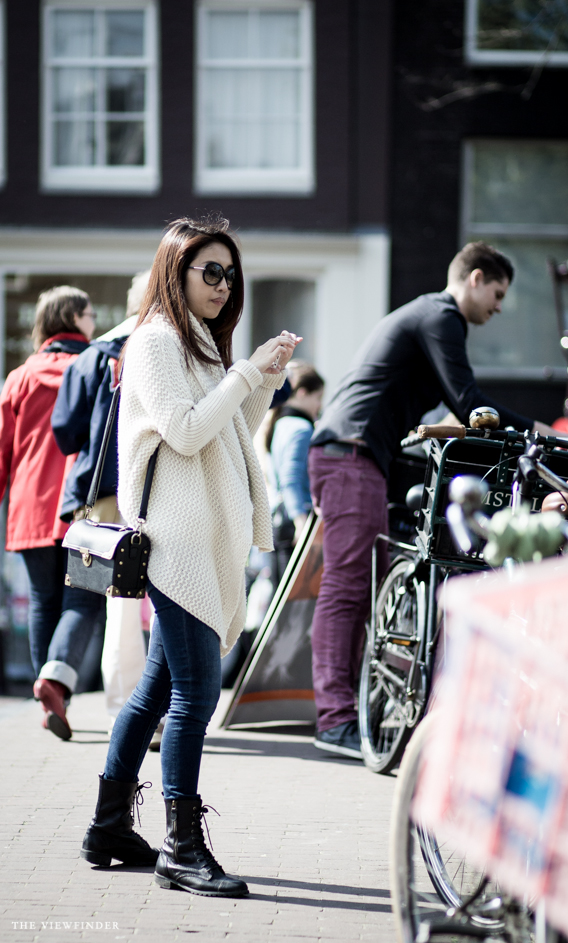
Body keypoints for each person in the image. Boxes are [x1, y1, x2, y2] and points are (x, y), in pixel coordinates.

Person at [80, 216, 300, 898]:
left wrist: (261, 377)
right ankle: (181, 845)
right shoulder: (153, 339)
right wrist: (240, 373)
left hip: (204, 537)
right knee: (197, 692)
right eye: (211, 270)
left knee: (154, 691)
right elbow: (182, 429)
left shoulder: (201, 342)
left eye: (229, 273)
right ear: (175, 271)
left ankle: (108, 826)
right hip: (175, 544)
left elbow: (229, 430)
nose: (222, 284)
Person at [308, 241, 555, 759]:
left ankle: (353, 715)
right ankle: (333, 721)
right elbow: (467, 401)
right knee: (349, 587)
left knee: (365, 584)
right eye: (498, 293)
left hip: (359, 454)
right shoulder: (441, 316)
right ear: (475, 278)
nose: (499, 306)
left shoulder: (428, 316)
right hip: (351, 452)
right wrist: (537, 430)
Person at [52, 271, 153, 739]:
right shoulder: (166, 348)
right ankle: (154, 711)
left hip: (102, 501)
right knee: (166, 606)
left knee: (120, 609)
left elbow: (66, 431)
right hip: (155, 492)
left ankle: (123, 710)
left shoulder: (96, 354)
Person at [0, 285, 100, 739]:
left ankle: (48, 699)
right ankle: (56, 684)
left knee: (44, 601)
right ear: (74, 318)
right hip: (84, 506)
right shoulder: (99, 366)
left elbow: (2, 449)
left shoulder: (20, 376)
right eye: (90, 313)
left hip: (30, 507)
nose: (95, 321)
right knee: (84, 600)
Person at [265, 362, 324, 577]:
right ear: (301, 393)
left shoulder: (279, 424)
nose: (319, 405)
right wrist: (301, 521)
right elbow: (291, 479)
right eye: (317, 397)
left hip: (277, 518)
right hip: (294, 520)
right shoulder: (302, 428)